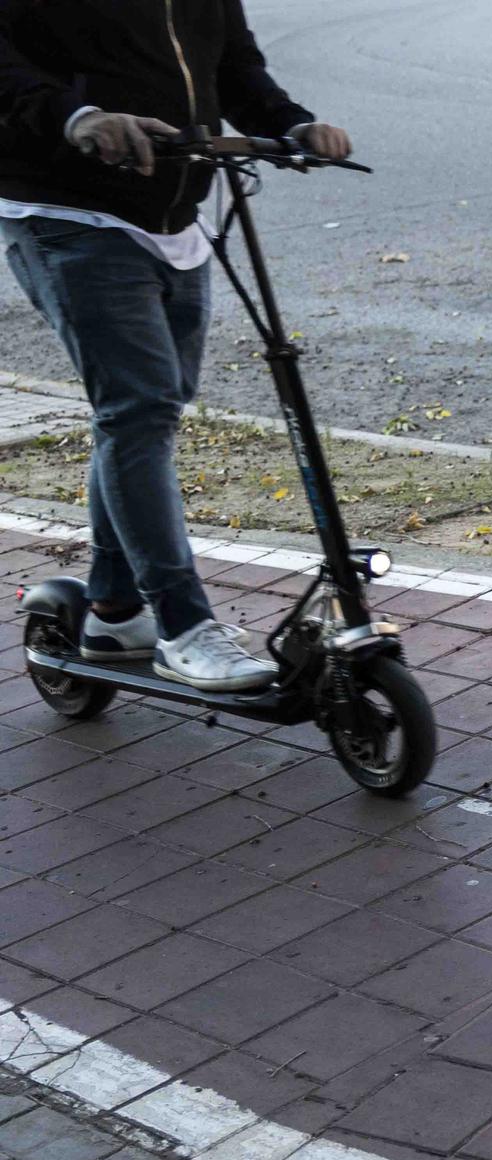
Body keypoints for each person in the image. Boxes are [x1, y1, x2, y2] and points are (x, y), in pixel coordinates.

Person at [0, 1, 352, 691]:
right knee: (141, 404)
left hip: (175, 212)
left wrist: (290, 125)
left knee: (145, 412)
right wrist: (77, 118)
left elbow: (236, 67)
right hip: (67, 209)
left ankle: (114, 609)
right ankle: (183, 626)